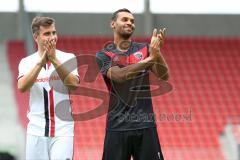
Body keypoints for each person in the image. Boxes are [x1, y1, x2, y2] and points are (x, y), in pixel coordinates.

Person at [96, 8, 169, 160]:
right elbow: (120, 76)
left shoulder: (144, 49)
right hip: (117, 127)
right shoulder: (103, 55)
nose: (130, 23)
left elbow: (164, 75)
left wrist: (157, 52)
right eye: (125, 19)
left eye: (132, 21)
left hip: (145, 125)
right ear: (113, 24)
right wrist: (150, 59)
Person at [17, 16, 79, 160]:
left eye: (54, 33)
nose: (52, 37)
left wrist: (54, 60)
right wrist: (41, 63)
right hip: (36, 130)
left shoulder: (68, 57)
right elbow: (22, 87)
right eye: (47, 34)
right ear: (36, 37)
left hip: (63, 130)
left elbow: (74, 84)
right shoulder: (26, 62)